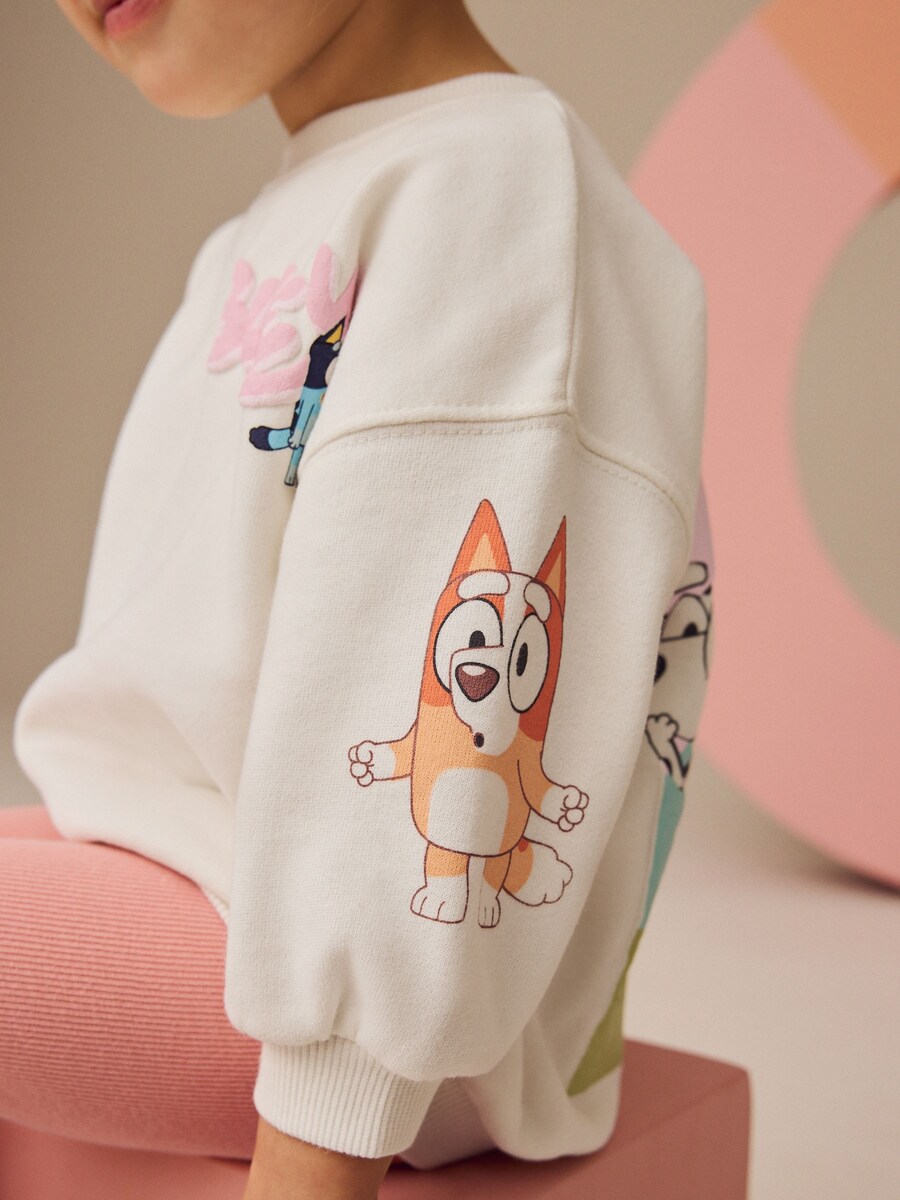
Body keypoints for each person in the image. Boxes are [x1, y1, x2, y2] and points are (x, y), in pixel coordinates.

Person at [3, 2, 713, 1199]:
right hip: (204, 879)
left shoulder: (492, 188)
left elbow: (451, 716)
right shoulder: (314, 203)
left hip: (352, 992)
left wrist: (330, 1131)